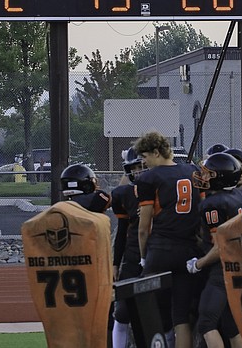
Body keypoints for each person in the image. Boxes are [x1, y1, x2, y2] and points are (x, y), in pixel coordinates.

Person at [135, 131, 202, 348]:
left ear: (156, 152)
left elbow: (143, 228)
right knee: (181, 315)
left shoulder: (149, 178)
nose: (143, 162)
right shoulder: (192, 171)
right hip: (189, 250)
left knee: (142, 307)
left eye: (145, 156)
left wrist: (144, 257)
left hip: (161, 249)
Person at [187, 152, 242, 348]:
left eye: (208, 174)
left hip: (222, 270)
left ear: (220, 177)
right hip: (241, 266)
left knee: (206, 323)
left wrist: (199, 263)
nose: (203, 177)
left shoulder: (213, 204)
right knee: (231, 326)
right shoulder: (239, 194)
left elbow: (221, 245)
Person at [111, 147, 146, 348]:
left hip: (158, 254)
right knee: (123, 312)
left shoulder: (164, 188)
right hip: (133, 257)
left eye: (142, 166)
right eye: (135, 168)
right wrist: (116, 263)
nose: (139, 172)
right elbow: (122, 230)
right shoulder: (124, 194)